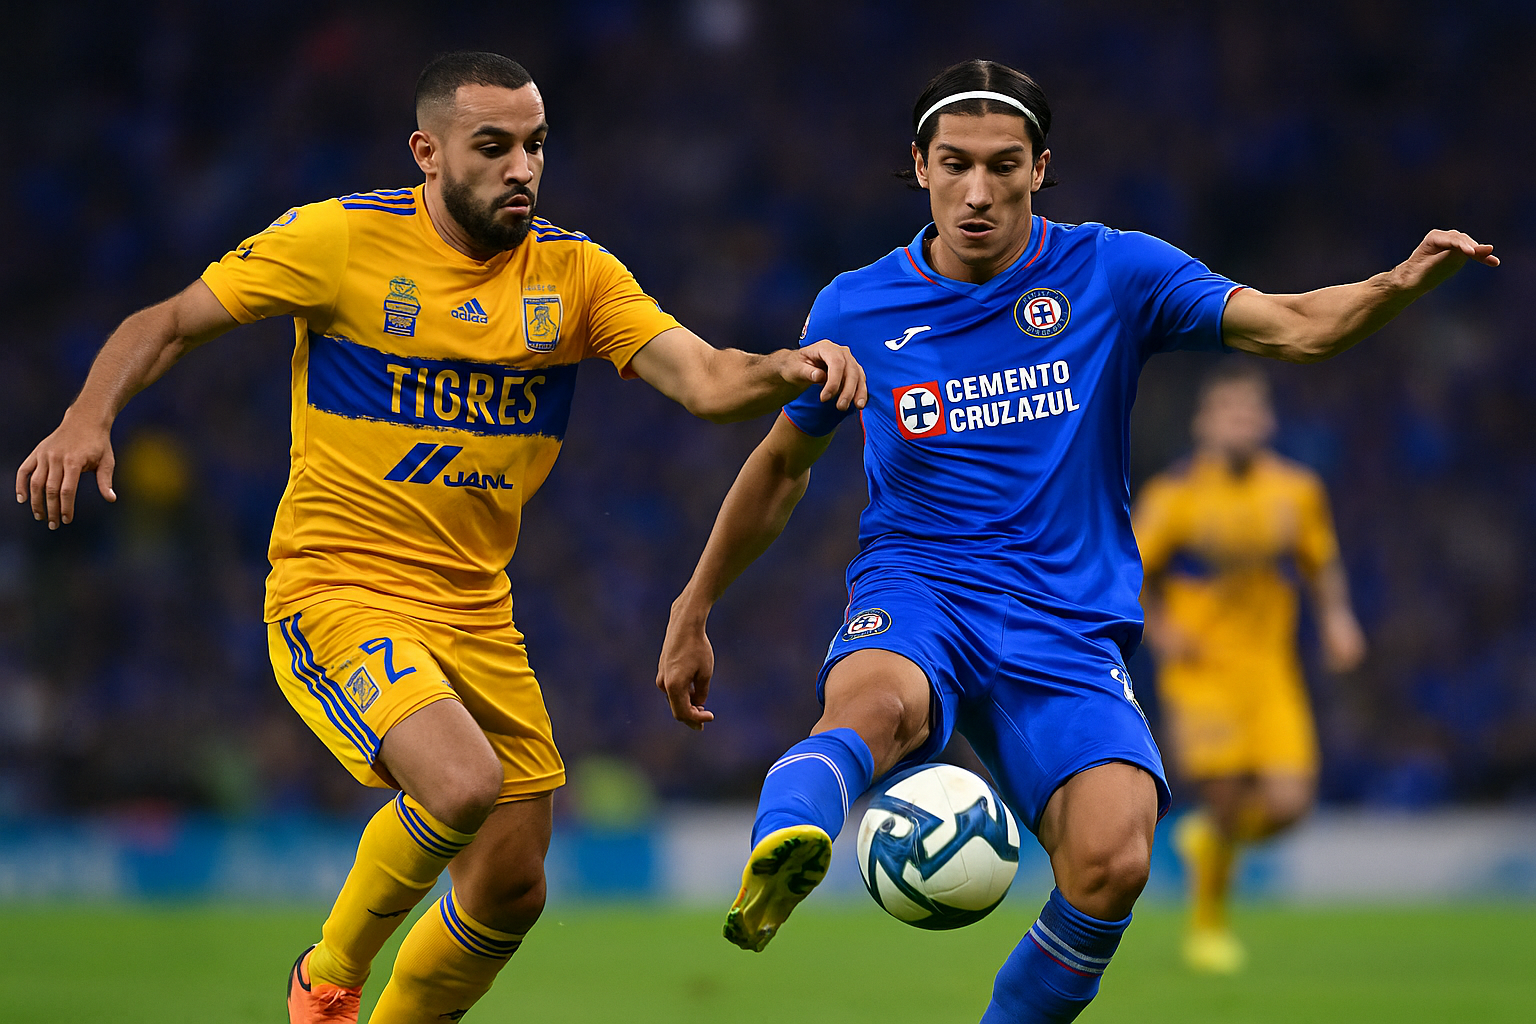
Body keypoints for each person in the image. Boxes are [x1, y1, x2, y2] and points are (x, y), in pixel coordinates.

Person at [16, 51, 865, 1024]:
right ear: (428, 151)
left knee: (513, 883)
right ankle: (326, 979)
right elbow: (166, 322)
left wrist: (790, 368)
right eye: (493, 145)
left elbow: (709, 380)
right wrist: (89, 415)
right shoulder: (339, 243)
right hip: (337, 589)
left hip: (476, 613)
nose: (522, 168)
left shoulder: (576, 275)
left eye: (536, 146)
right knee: (461, 783)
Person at [655, 58, 1495, 1023]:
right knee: (873, 701)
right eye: (955, 164)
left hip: (1063, 619)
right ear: (919, 167)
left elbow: (1294, 328)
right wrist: (694, 605)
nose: (978, 191)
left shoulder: (1113, 271)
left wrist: (1403, 278)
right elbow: (779, 467)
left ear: (1041, 167)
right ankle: (787, 844)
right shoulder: (856, 308)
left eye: (1003, 165)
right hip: (921, 585)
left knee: (1115, 857)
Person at [1134, 361, 1365, 974]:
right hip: (1203, 671)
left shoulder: (1296, 491)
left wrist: (1338, 619)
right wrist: (1163, 627)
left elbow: (1322, 562)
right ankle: (1208, 925)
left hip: (1271, 670)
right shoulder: (1174, 497)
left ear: (1266, 422)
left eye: (1250, 412)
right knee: (1227, 792)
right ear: (1204, 422)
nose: (1240, 423)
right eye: (1227, 411)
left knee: (1289, 804)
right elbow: (1132, 576)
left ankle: (1207, 842)